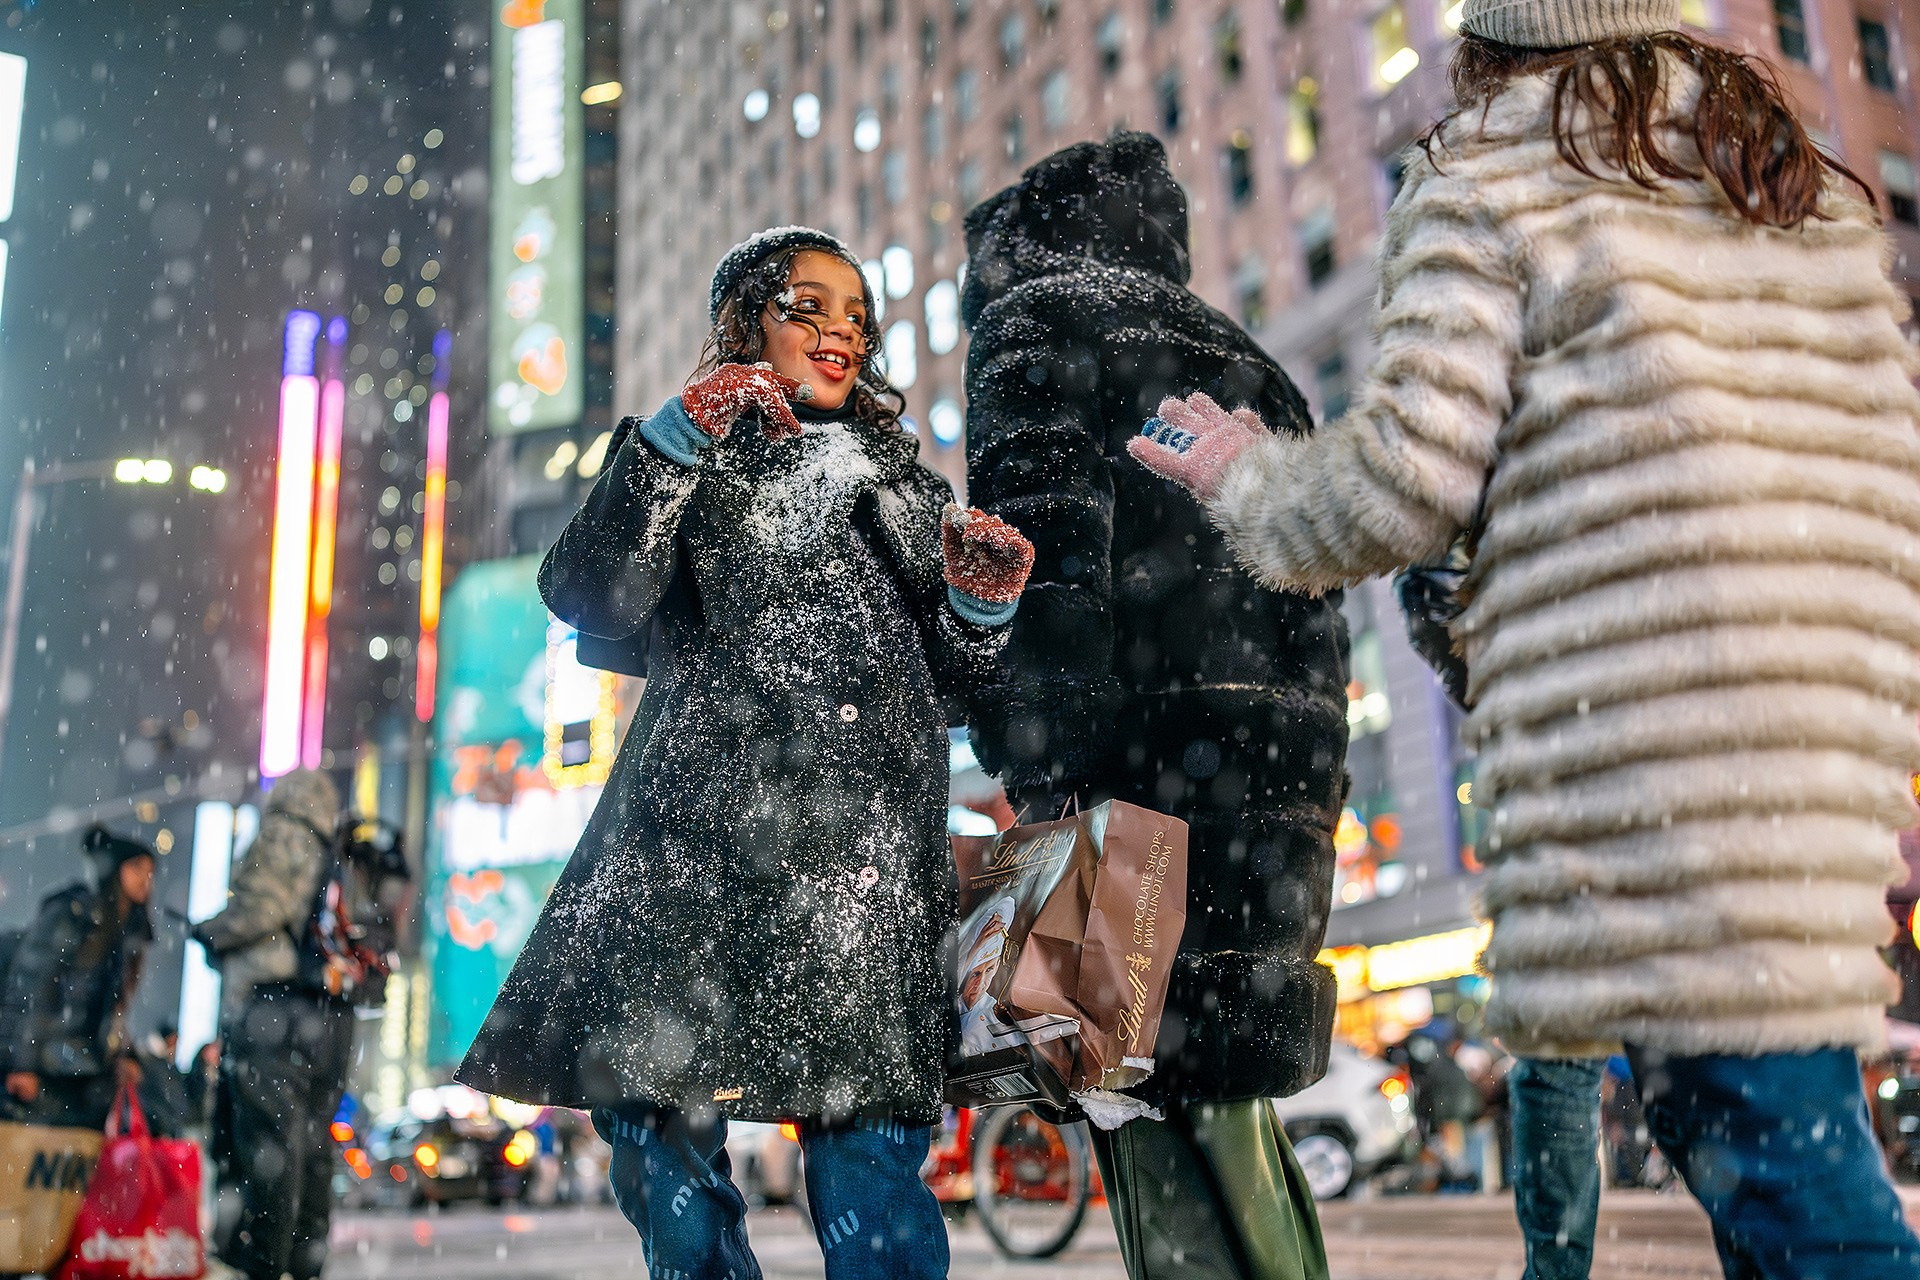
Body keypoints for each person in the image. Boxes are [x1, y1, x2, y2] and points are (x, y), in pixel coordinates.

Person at [1130, 0, 1920, 1273]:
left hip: (1652, 738)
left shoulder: (1494, 169)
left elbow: (1401, 484)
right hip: (1819, 738)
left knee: (1785, 1173)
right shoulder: (1778, 176)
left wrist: (1241, 473)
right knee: (1776, 1128)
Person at [456, 226, 1034, 1280]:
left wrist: (979, 609)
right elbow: (588, 591)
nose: (840, 333)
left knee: (873, 1181)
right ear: (746, 321)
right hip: (694, 857)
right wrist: (680, 435)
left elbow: (951, 690)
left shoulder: (906, 487)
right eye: (808, 306)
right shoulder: (689, 452)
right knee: (656, 1139)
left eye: (857, 316)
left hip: (861, 879)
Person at [962, 132, 1339, 1279]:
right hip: (1272, 791)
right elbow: (1310, 606)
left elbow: (1045, 576)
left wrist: (1036, 763)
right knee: (1228, 1115)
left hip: (1134, 789)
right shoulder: (1255, 363)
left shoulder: (1035, 327)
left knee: (1153, 1123)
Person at [192, 768, 353, 1280]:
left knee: (266, 1145)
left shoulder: (285, 832)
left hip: (270, 1007)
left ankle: (264, 1264)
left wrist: (212, 931)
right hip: (324, 1014)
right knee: (311, 1144)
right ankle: (303, 1263)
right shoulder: (334, 849)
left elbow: (262, 909)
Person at [2, 825, 155, 1130]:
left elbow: (113, 1011)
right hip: (49, 1068)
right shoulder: (73, 915)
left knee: (73, 1169)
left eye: (150, 871)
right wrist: (22, 1064)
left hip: (88, 1076)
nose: (145, 878)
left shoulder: (130, 936)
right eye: (136, 866)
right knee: (30, 1166)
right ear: (114, 870)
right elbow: (31, 988)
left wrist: (126, 1055)